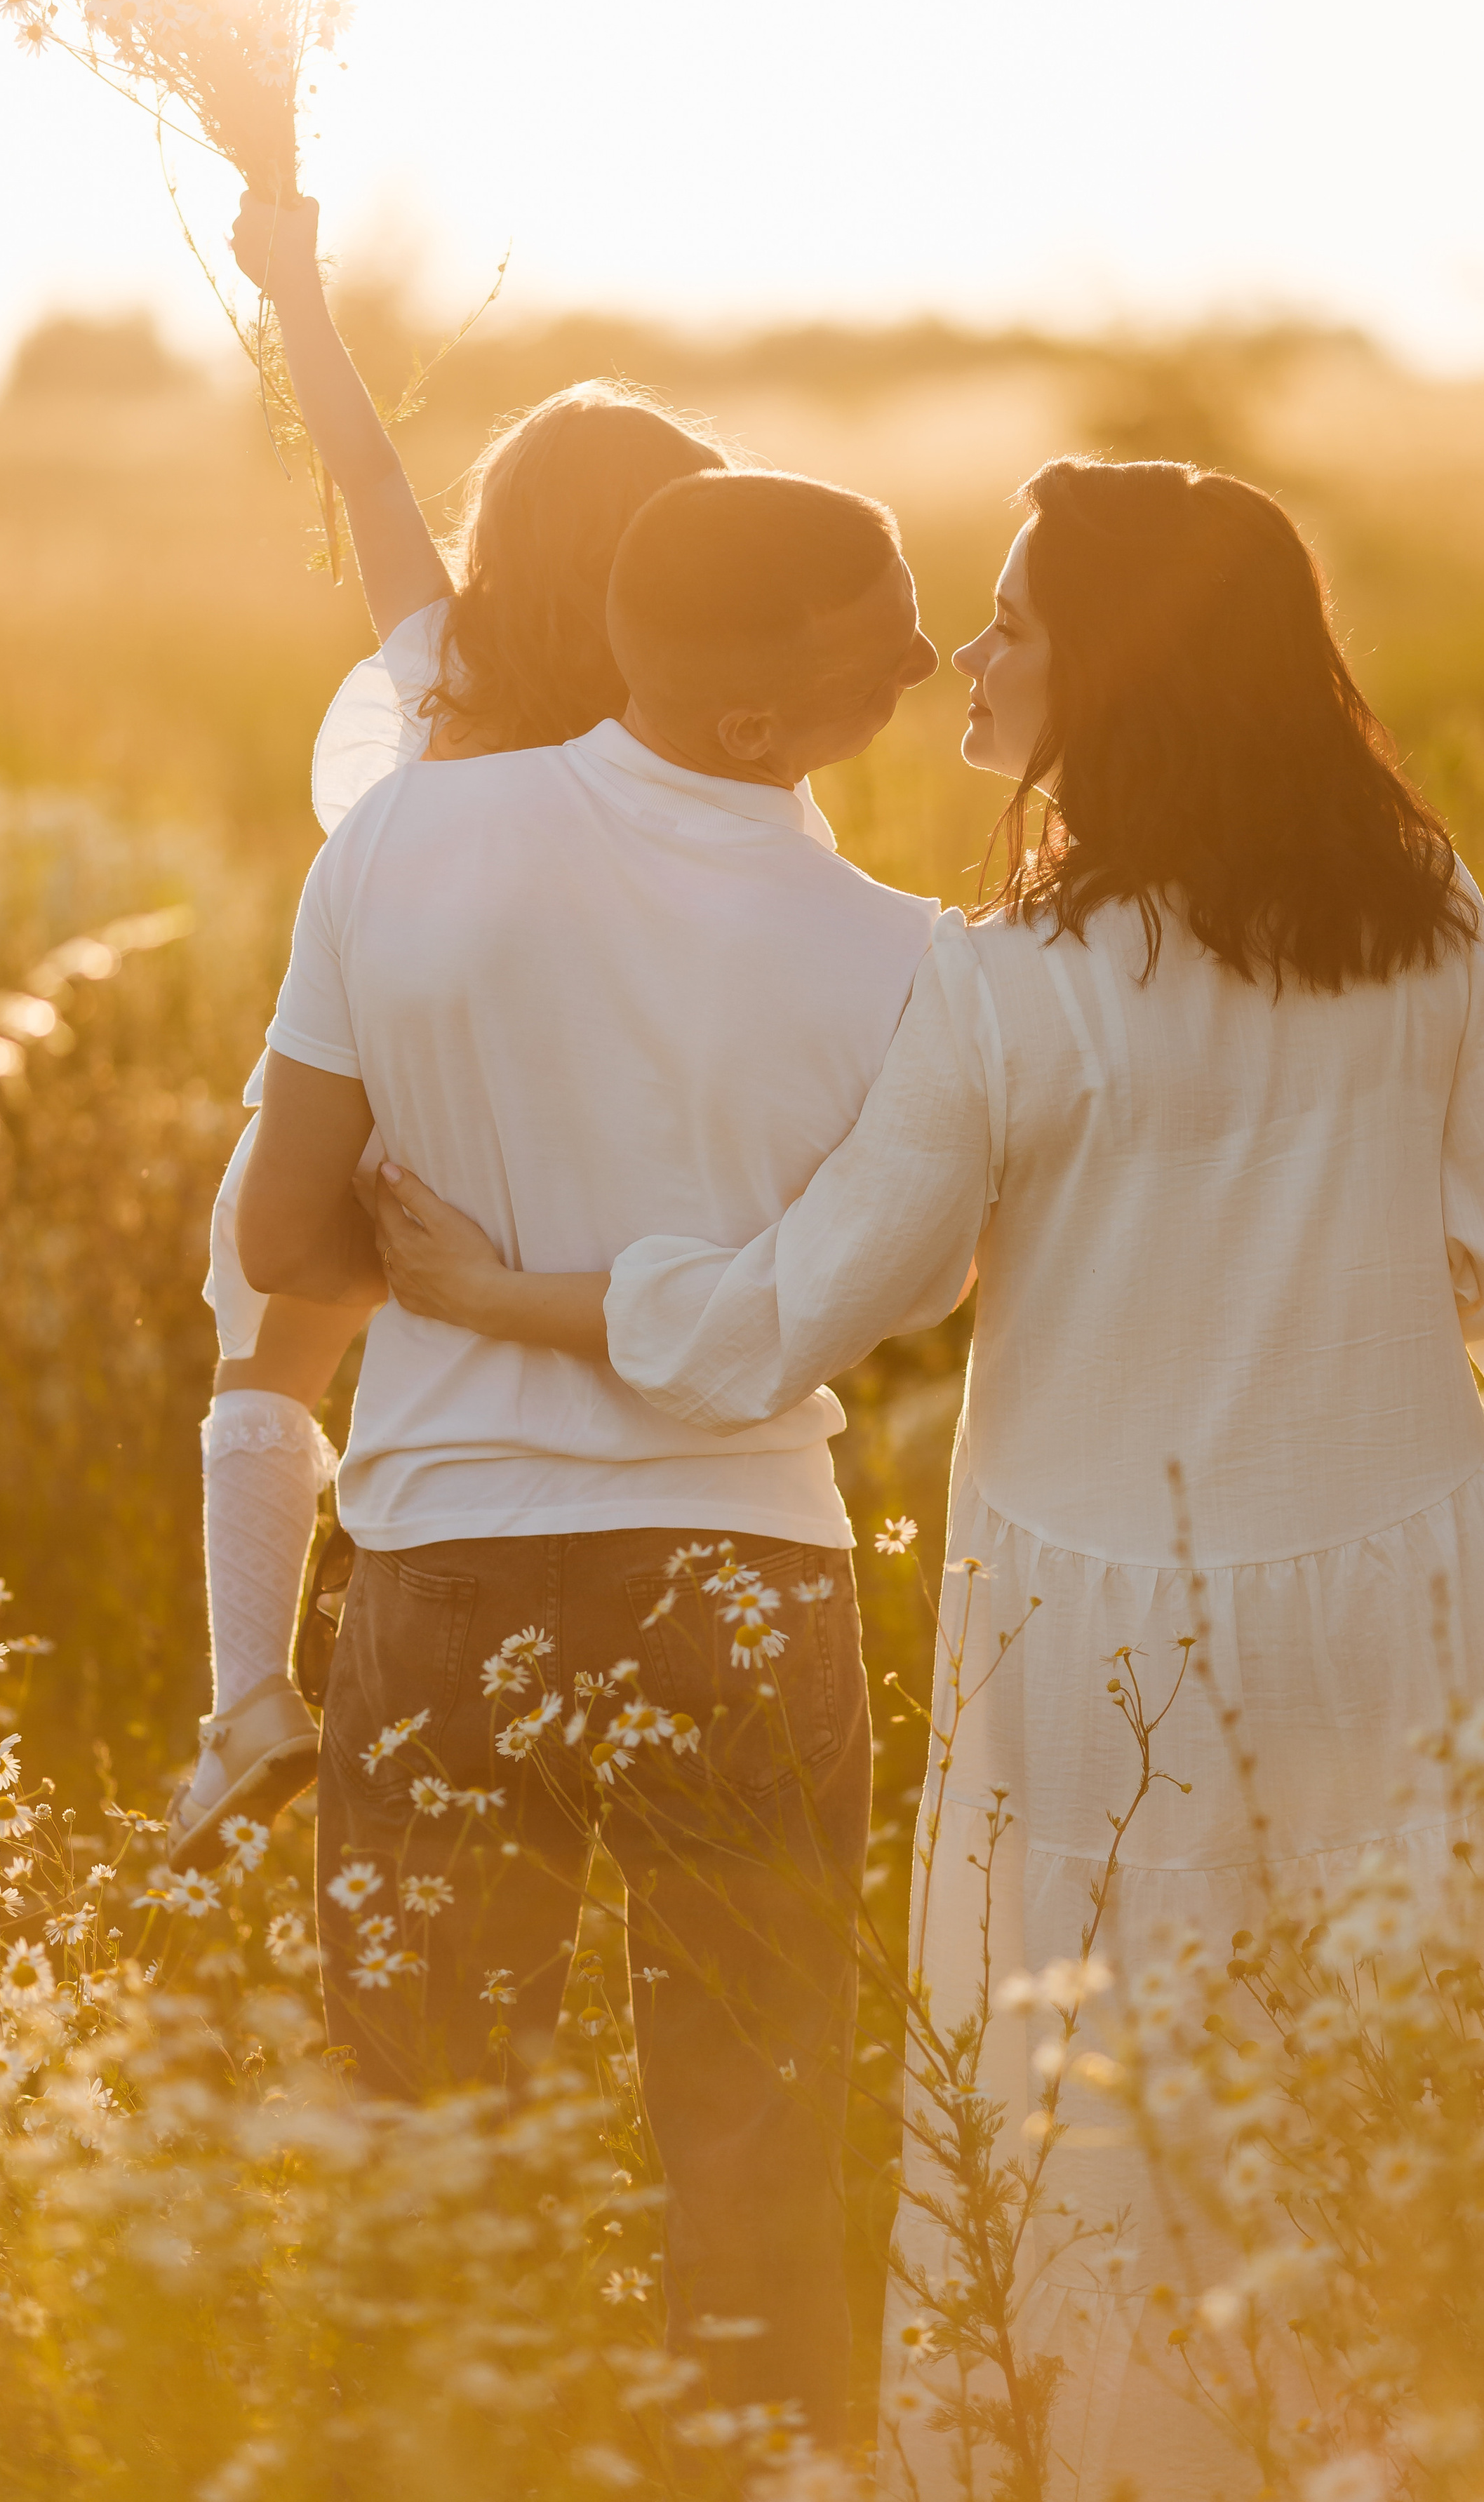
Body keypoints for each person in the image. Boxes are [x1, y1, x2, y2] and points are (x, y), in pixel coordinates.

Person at [379, 456, 1484, 2496]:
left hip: (1107, 1618)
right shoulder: (1420, 904)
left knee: (1121, 2125)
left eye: (1014, 624)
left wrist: (501, 1293)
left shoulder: (1008, 981)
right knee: (1412, 2080)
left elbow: (793, 1309)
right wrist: (1338, 1303)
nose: (968, 649)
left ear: (1113, 677)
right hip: (1403, 1573)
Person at [235, 463, 941, 2437]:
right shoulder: (908, 957)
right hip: (746, 1576)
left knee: (421, 2147)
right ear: (762, 726)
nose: (923, 669)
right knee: (756, 2149)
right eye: (892, 652)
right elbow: (889, 1295)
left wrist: (455, 1269)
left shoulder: (403, 836)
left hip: (450, 1564)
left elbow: (279, 1241)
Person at [169, 190, 744, 1867]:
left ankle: (248, 1697)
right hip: (559, 1123)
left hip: (371, 1097)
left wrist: (294, 284)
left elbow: (362, 472)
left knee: (269, 1361)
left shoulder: (446, 669)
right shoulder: (691, 732)